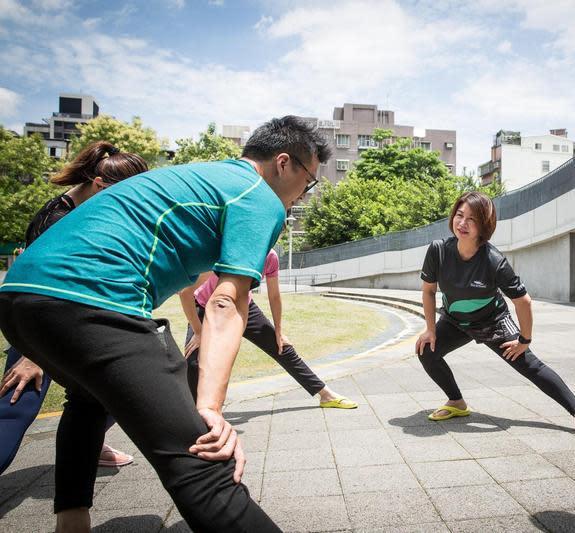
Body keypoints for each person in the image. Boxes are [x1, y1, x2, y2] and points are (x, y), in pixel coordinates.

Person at [0, 116, 330, 532]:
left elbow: (190, 286)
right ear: (284, 163)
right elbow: (227, 302)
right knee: (205, 459)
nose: (303, 195)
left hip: (17, 299)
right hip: (94, 300)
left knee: (87, 400)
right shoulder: (259, 197)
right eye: (309, 181)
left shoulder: (201, 177)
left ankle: (72, 522)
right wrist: (208, 408)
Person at [0, 141, 147, 474]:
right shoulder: (57, 219)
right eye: (123, 198)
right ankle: (87, 441)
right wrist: (31, 356)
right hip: (41, 333)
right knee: (15, 410)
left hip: (66, 328)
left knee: (119, 392)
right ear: (99, 185)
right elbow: (34, 288)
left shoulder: (77, 212)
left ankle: (88, 441)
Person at [415, 191, 575, 441]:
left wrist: (524, 340)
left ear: (484, 226)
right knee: (427, 350)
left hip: (492, 322)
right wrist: (431, 329)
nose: (462, 223)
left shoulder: (493, 261)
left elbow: (523, 302)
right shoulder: (438, 250)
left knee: (529, 365)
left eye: (471, 219)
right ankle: (457, 402)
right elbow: (428, 291)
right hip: (455, 319)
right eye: (459, 215)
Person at [181, 248, 357, 408]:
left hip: (244, 307)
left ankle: (325, 395)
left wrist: (279, 331)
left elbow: (274, 296)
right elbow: (186, 292)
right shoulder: (228, 252)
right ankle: (196, 416)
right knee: (194, 361)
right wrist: (198, 331)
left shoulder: (270, 257)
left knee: (281, 347)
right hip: (206, 308)